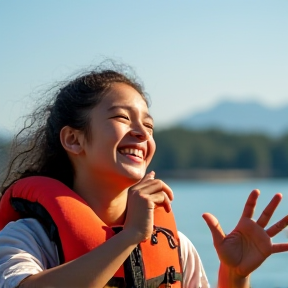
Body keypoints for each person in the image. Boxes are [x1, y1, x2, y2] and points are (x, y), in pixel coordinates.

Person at [0, 63, 287, 288]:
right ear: (74, 139)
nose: (141, 132)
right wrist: (129, 237)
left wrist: (235, 276)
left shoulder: (175, 246)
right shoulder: (28, 239)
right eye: (122, 118)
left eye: (148, 125)